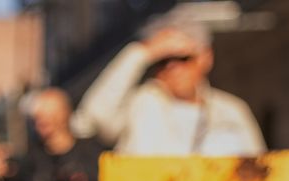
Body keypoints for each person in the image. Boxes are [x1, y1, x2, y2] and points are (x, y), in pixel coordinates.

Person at [71, 20, 265, 158]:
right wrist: (140, 53)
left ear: (206, 57)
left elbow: (258, 168)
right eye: (163, 60)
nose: (172, 68)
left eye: (182, 58)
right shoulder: (140, 106)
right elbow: (96, 114)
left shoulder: (232, 111)